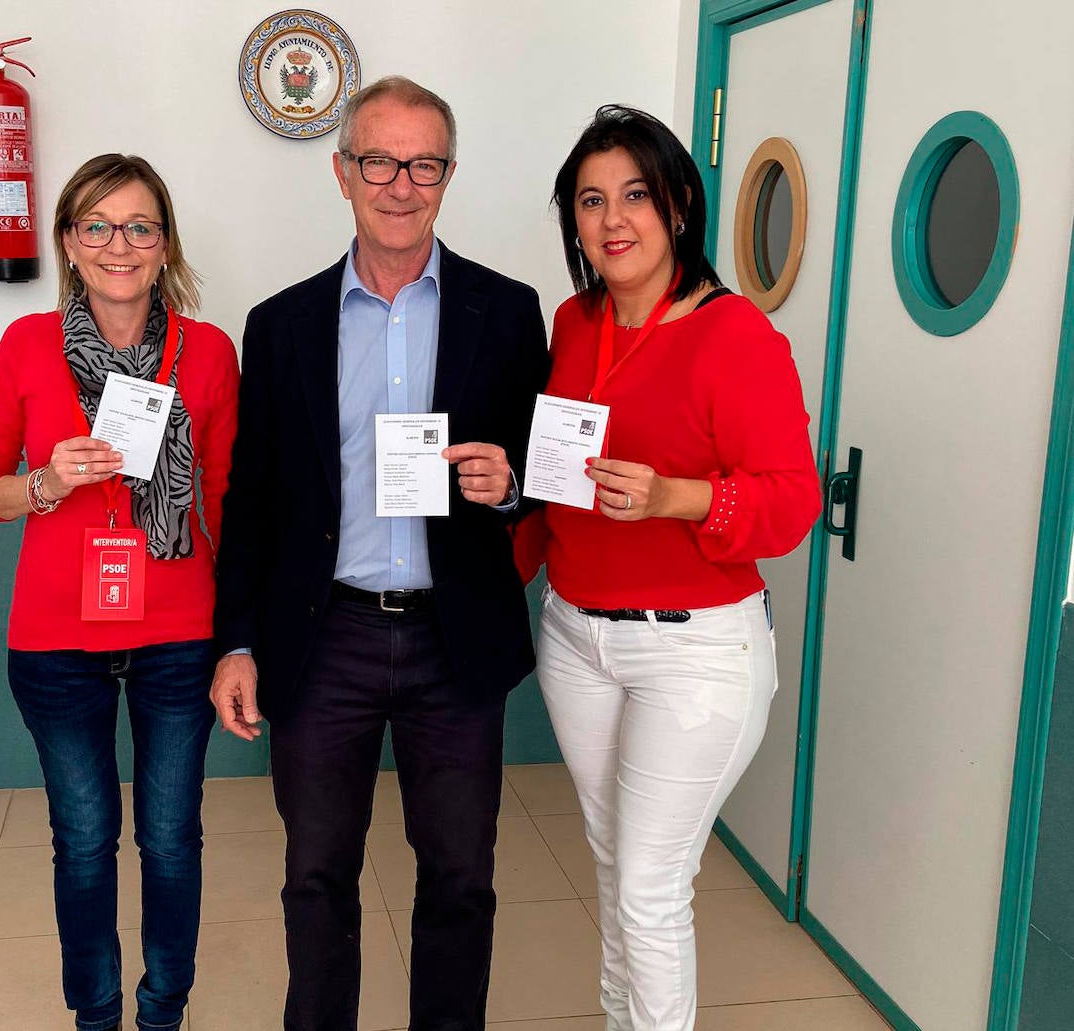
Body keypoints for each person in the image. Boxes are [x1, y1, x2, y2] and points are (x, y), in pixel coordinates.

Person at [210, 76, 550, 1030]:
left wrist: (510, 481)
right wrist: (236, 641)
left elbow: (543, 471)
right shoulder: (281, 326)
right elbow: (251, 501)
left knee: (461, 879)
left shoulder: (509, 311)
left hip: (456, 638)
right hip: (326, 640)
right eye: (379, 161)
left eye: (424, 164)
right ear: (342, 171)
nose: (400, 184)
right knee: (316, 876)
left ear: (447, 176)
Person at [534, 105, 821, 1031]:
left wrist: (677, 498)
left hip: (694, 654)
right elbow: (555, 476)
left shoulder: (735, 335)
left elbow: (791, 501)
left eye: (636, 196)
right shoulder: (574, 323)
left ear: (680, 206)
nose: (614, 220)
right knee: (617, 868)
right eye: (590, 201)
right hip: (576, 636)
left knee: (652, 889)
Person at [0, 153, 238, 1031]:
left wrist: (242, 638)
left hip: (178, 632)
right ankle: (97, 1014)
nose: (120, 243)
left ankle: (163, 1010)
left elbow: (227, 501)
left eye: (140, 226)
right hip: (53, 643)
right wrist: (43, 481)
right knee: (82, 843)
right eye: (98, 226)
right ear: (70, 244)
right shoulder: (26, 346)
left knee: (170, 840)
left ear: (165, 246)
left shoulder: (210, 352)